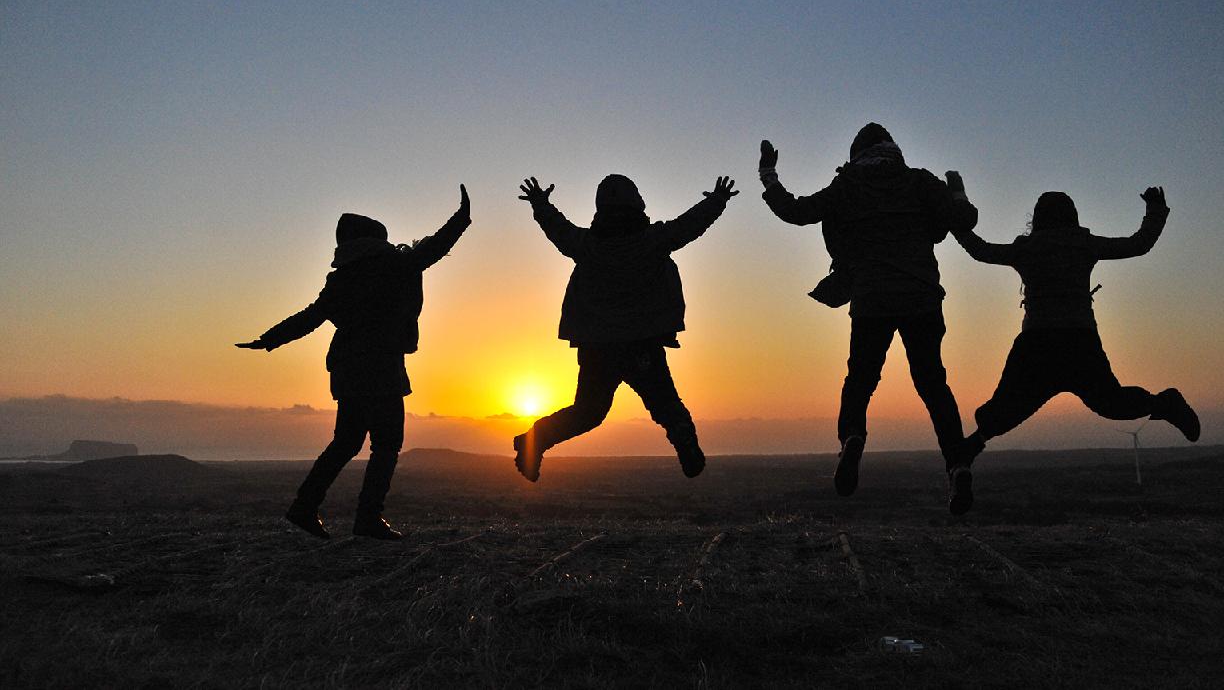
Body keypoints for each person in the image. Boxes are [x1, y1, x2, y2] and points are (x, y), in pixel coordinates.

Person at [759, 124, 979, 513]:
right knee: (933, 385)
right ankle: (958, 465)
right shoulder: (919, 182)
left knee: (860, 381)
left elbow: (796, 211)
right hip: (921, 297)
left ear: (856, 153)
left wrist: (769, 175)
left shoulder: (847, 186)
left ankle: (852, 439)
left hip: (871, 298)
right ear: (893, 150)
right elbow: (964, 218)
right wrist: (956, 187)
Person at [236, 186, 471, 540]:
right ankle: (367, 519)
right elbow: (432, 249)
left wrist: (270, 339)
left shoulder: (341, 278)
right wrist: (461, 218)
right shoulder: (393, 264)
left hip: (346, 367)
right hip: (381, 367)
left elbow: (310, 317)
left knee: (346, 442)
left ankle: (304, 507)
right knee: (387, 443)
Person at [948, 179, 1200, 470]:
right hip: (1079, 341)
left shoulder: (1027, 248)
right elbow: (1138, 244)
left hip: (1038, 343)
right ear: (1073, 216)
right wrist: (1155, 210)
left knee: (1010, 406)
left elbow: (979, 249)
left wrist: (954, 219)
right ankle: (1163, 404)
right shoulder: (1084, 245)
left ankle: (973, 445)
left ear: (1037, 219)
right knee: (1111, 403)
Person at [512, 174, 737, 482]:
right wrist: (717, 201)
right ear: (637, 204)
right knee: (666, 404)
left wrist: (540, 203)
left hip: (597, 348)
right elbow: (689, 225)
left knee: (587, 413)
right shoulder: (653, 241)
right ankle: (685, 442)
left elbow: (558, 230)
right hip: (641, 343)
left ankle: (534, 439)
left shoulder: (587, 246)